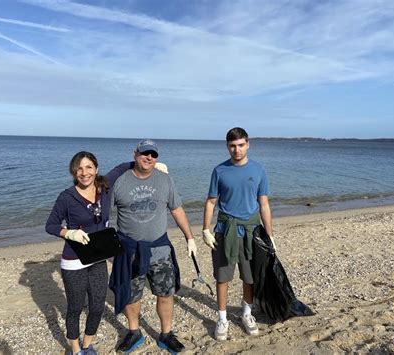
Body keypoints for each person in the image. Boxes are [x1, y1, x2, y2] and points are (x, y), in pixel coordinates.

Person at [109, 139, 197, 353]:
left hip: (160, 250)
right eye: (144, 153)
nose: (149, 157)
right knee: (131, 294)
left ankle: (166, 334)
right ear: (135, 154)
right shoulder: (119, 182)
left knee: (165, 293)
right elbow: (103, 215)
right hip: (129, 250)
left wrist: (190, 237)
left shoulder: (165, 180)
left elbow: (177, 210)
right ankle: (133, 332)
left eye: (153, 154)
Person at [46, 151, 132, 355]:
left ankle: (87, 345)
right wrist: (69, 233)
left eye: (88, 167)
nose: (84, 173)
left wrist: (152, 166)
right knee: (75, 308)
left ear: (96, 169)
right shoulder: (67, 197)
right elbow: (51, 225)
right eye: (79, 168)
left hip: (98, 256)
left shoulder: (105, 186)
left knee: (96, 307)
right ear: (74, 172)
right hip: (73, 261)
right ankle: (76, 350)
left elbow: (122, 167)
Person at [202, 127, 274, 341]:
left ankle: (246, 314)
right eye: (232, 146)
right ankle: (222, 318)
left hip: (251, 231)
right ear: (227, 146)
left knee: (249, 277)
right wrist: (205, 229)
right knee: (222, 277)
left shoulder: (259, 170)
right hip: (225, 231)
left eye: (241, 145)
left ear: (248, 144)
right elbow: (211, 202)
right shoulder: (219, 170)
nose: (237, 149)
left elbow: (264, 204)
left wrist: (270, 235)